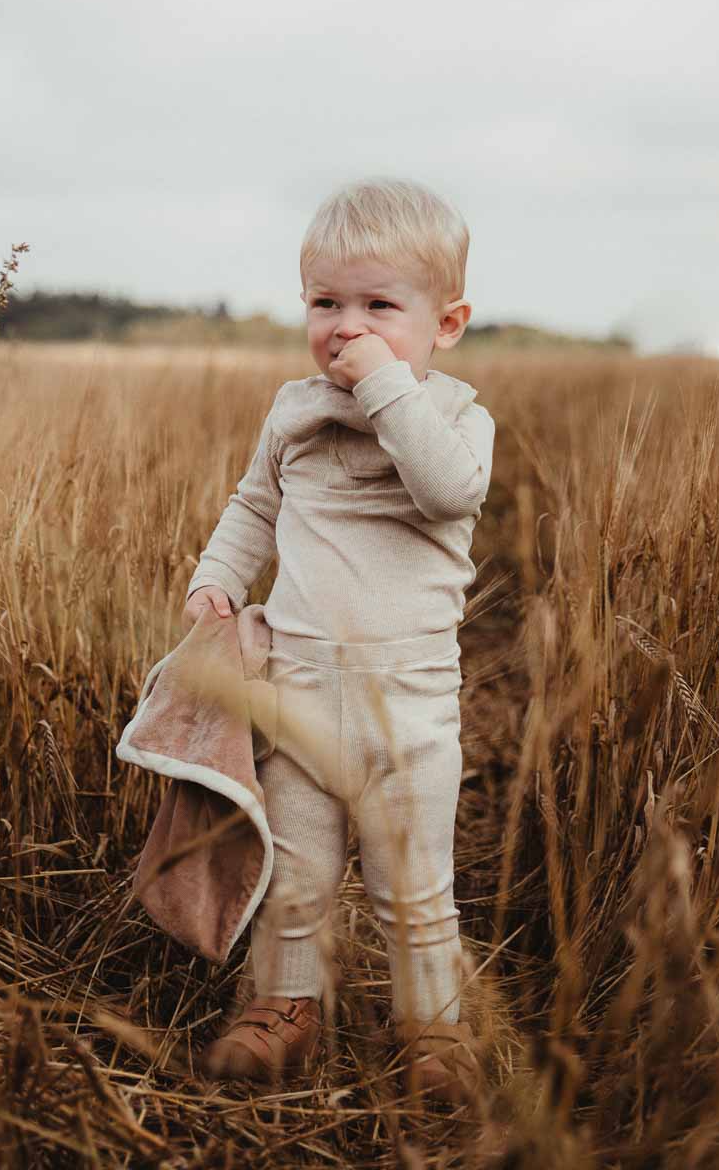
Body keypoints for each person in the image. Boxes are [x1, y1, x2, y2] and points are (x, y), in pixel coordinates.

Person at [181, 178, 495, 1105]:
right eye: (326, 304)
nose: (346, 328)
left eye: (378, 307)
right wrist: (218, 578)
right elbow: (255, 504)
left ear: (445, 324)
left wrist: (386, 387)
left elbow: (448, 492)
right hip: (302, 689)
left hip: (410, 708)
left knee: (414, 887)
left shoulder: (455, 418)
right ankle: (283, 1011)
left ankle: (433, 1032)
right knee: (298, 873)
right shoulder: (294, 411)